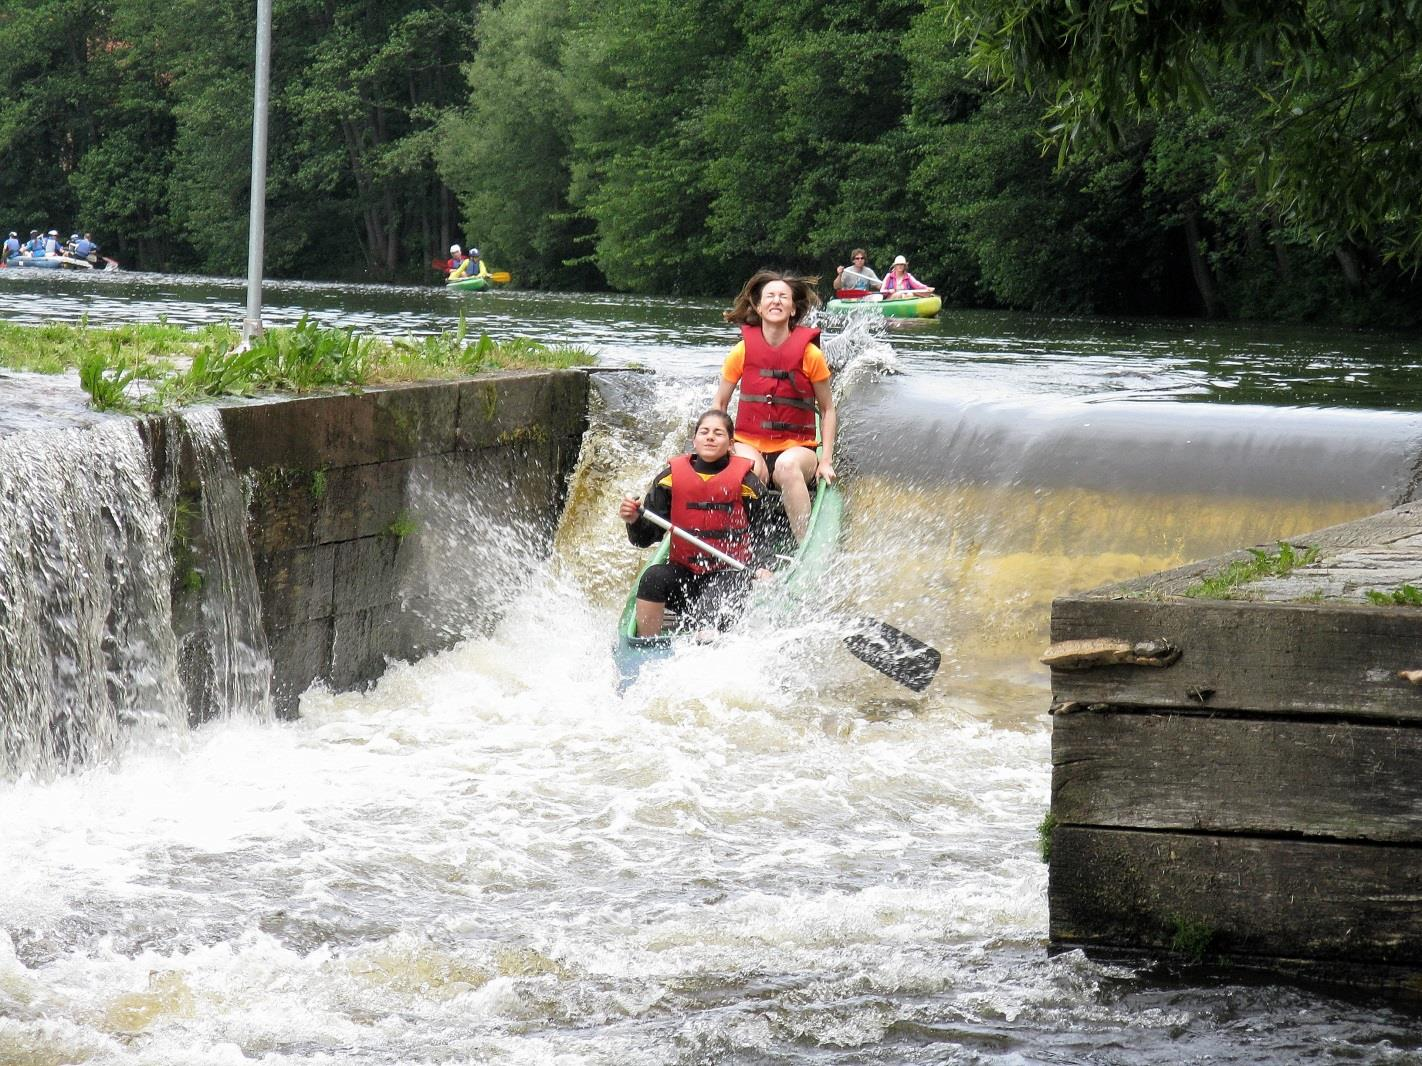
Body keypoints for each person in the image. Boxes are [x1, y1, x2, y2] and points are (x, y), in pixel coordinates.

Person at [618, 409, 774, 637]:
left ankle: (706, 641)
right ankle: (644, 644)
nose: (710, 437)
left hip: (729, 574)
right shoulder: (669, 479)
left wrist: (763, 565)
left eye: (718, 433)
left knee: (707, 618)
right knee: (652, 578)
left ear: (731, 444)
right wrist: (633, 520)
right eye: (704, 432)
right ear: (695, 440)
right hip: (685, 574)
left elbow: (764, 532)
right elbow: (645, 537)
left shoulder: (748, 484)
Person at [712, 269, 836, 543]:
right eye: (770, 296)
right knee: (748, 470)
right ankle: (739, 543)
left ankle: (805, 545)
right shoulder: (742, 351)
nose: (776, 301)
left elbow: (827, 410)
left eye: (783, 297)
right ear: (758, 306)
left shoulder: (810, 354)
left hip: (797, 450)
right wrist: (723, 444)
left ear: (793, 309)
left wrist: (825, 460)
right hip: (748, 444)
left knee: (787, 467)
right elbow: (720, 402)